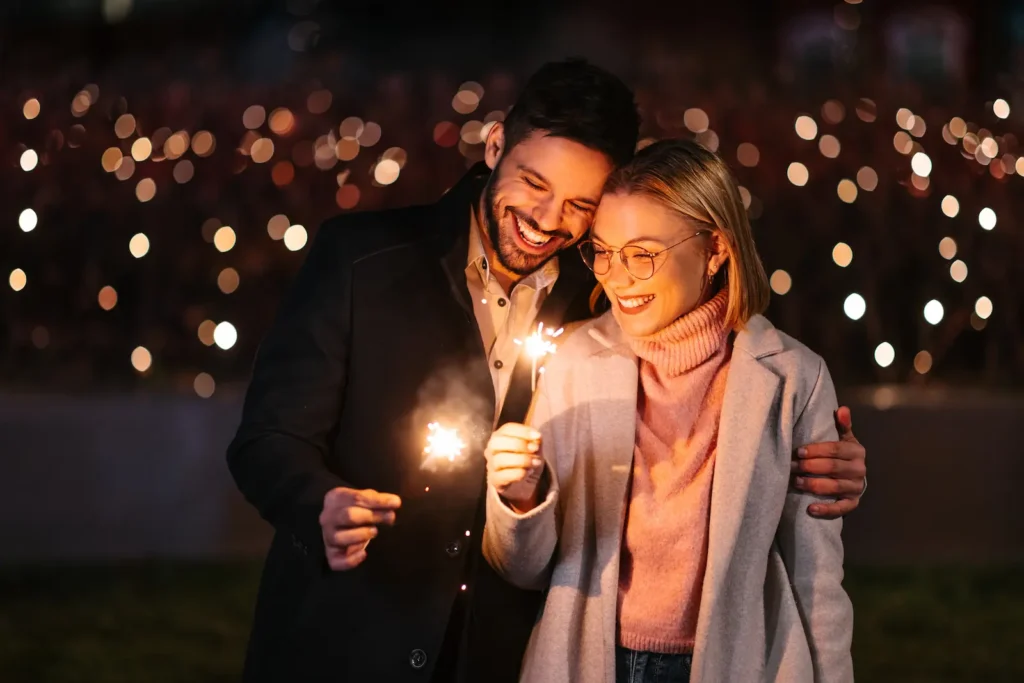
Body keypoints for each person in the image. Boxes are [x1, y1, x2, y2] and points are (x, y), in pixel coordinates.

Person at [227, 61, 866, 683]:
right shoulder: (363, 261)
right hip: (351, 630)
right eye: (534, 183)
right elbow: (267, 440)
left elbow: (714, 372)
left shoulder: (607, 288)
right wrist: (321, 503)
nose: (547, 219)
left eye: (581, 205)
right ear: (497, 143)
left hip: (495, 648)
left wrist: (812, 461)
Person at [483, 139, 855, 683]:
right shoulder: (575, 363)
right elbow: (524, 567)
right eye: (603, 251)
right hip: (593, 662)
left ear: (716, 248)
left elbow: (816, 576)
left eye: (642, 253)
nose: (615, 275)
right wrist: (519, 499)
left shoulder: (792, 379)